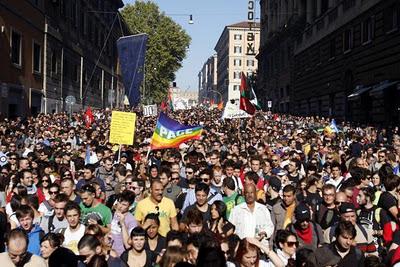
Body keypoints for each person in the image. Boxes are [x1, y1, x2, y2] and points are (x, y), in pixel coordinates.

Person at [110, 190, 138, 256]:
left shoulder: (132, 221)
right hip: (111, 253)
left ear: (130, 206)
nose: (120, 206)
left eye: (124, 204)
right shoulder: (115, 213)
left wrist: (122, 223)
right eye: (119, 202)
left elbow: (128, 245)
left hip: (122, 255)